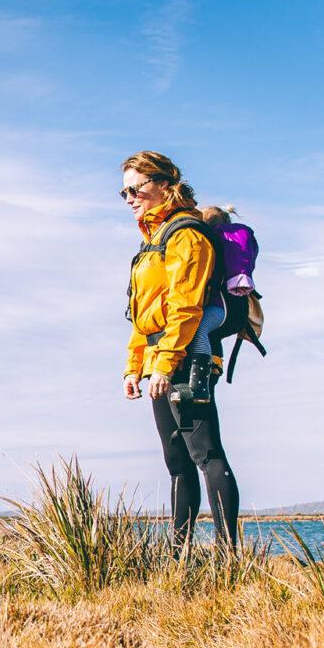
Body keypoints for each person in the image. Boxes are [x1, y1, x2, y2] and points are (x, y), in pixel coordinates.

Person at [120, 151, 241, 547]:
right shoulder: (151, 240)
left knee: (206, 454)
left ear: (164, 184)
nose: (130, 198)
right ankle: (179, 556)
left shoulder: (185, 235)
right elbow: (144, 315)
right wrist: (133, 367)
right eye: (124, 193)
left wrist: (166, 364)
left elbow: (185, 307)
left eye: (136, 188)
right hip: (159, 360)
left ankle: (228, 557)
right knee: (177, 464)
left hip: (189, 356)